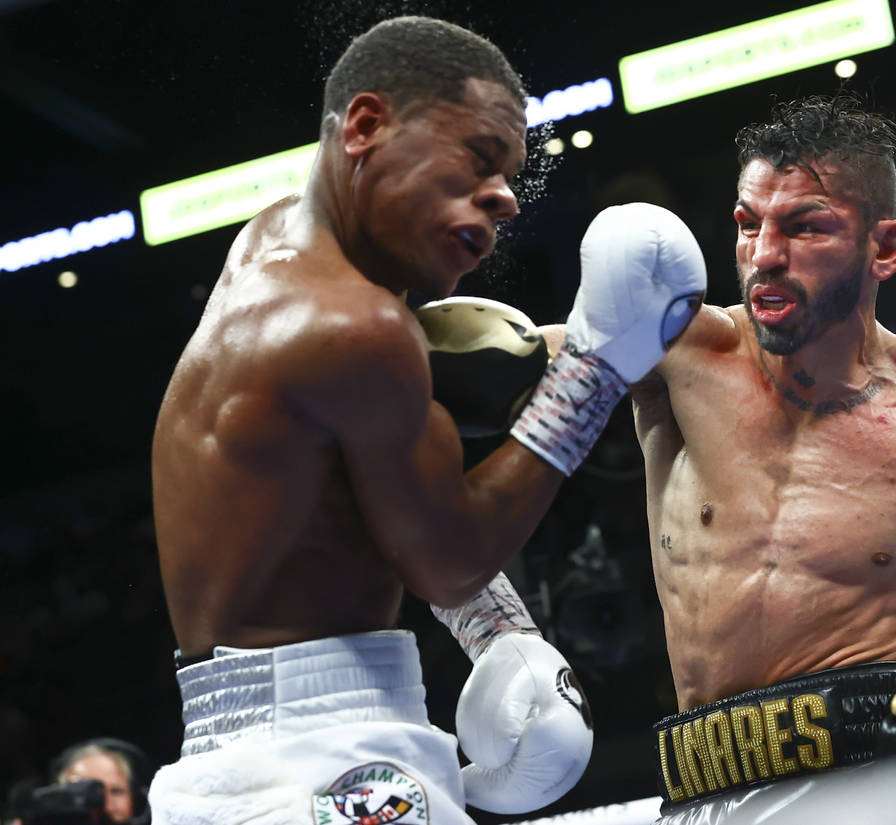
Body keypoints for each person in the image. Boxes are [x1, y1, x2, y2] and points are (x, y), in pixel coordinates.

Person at [146, 15, 705, 825]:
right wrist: (594, 371)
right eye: (480, 159)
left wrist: (496, 635)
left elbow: (378, 491)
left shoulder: (279, 246)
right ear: (367, 126)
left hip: (243, 753)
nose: (507, 197)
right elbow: (448, 560)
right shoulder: (354, 327)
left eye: (510, 176)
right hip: (325, 760)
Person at [629, 95, 896, 823]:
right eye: (748, 224)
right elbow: (493, 364)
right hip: (694, 797)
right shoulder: (675, 355)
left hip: (865, 795)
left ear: (885, 248)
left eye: (804, 227)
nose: (764, 255)